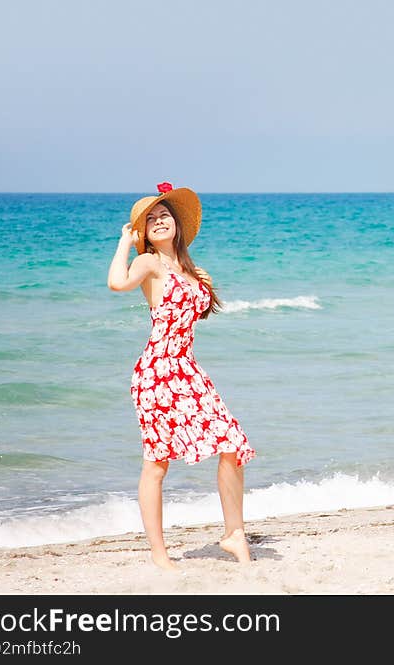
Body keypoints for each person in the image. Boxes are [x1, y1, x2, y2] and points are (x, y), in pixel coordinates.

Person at [107, 182, 256, 570]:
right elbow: (116, 283)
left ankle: (233, 534)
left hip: (188, 369)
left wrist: (201, 283)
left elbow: (195, 313)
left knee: (232, 444)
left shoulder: (191, 271)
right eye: (151, 220)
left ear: (177, 225)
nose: (159, 222)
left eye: (164, 216)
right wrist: (126, 241)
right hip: (157, 372)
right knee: (157, 462)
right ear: (144, 232)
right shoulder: (149, 263)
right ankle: (160, 555)